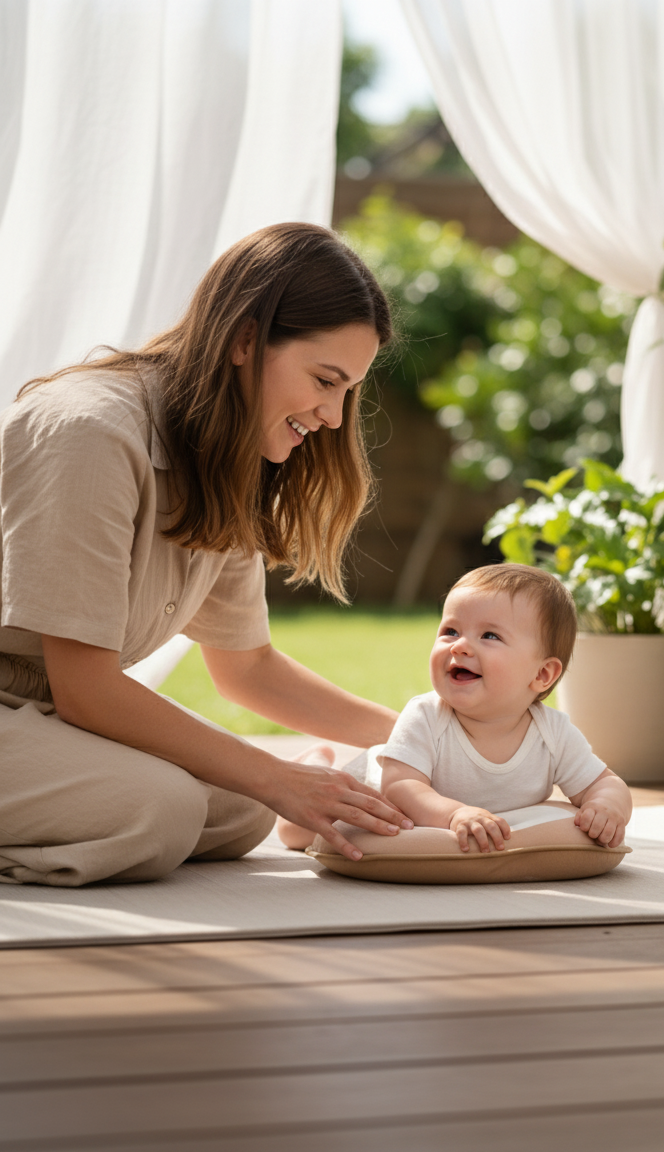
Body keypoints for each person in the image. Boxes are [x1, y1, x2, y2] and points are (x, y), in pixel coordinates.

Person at [0, 222, 415, 888]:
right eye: (325, 380)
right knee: (161, 812)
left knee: (245, 807)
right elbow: (85, 689)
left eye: (348, 392)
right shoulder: (89, 432)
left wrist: (426, 740)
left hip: (44, 714)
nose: (335, 417)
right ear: (245, 339)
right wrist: (280, 776)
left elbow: (246, 669)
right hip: (45, 705)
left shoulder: (228, 454)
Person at [278, 564, 632, 855]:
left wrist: (607, 807)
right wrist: (455, 814)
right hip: (370, 785)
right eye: (450, 631)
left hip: (468, 815)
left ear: (541, 674)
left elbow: (605, 784)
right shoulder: (426, 716)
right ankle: (315, 765)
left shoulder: (552, 732)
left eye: (489, 636)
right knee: (295, 834)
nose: (460, 646)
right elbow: (401, 787)